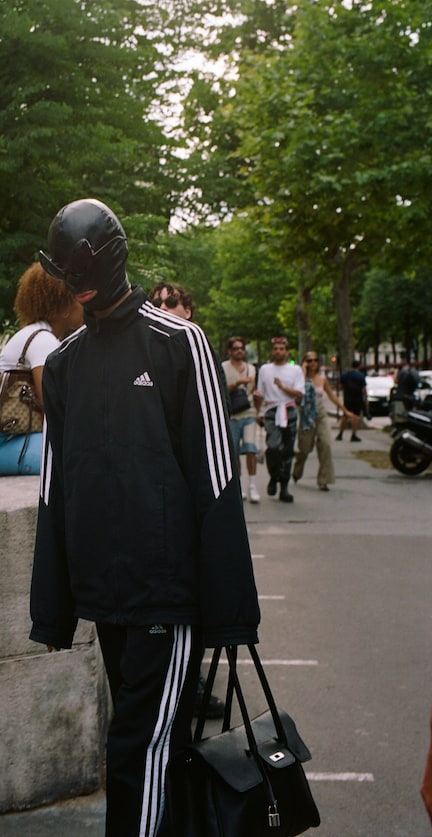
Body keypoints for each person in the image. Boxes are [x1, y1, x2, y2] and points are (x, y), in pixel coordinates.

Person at [30, 198, 260, 837]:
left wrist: (229, 612)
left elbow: (216, 480)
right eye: (67, 275)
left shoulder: (179, 344)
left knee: (140, 749)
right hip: (107, 599)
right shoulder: (66, 364)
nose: (77, 288)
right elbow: (57, 489)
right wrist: (53, 608)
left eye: (84, 272)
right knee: (149, 741)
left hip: (168, 600)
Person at [149, 280, 226, 720]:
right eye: (157, 301)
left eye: (171, 301)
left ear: (189, 309)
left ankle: (190, 685)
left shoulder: (194, 350)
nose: (163, 306)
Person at [0, 262, 83, 476]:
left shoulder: (35, 334)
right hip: (6, 444)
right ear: (63, 305)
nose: (83, 303)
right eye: (77, 296)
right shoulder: (43, 341)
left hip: (8, 440)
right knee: (87, 456)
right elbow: (53, 405)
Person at [293, 352, 353, 492]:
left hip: (320, 414)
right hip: (306, 416)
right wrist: (302, 370)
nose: (313, 363)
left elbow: (332, 397)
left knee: (325, 444)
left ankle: (324, 480)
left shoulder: (322, 379)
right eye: (309, 360)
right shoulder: (300, 378)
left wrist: (345, 410)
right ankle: (297, 470)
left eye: (315, 360)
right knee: (304, 449)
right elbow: (297, 392)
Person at [256, 336, 305, 503]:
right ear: (272, 351)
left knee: (288, 450)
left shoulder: (296, 370)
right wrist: (259, 411)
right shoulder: (265, 369)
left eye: (281, 349)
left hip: (289, 410)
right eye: (275, 349)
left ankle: (284, 486)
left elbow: (299, 394)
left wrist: (282, 387)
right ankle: (273, 475)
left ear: (286, 351)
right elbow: (260, 393)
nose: (278, 351)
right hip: (271, 411)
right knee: (274, 446)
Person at [222, 337, 261, 503]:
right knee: (234, 452)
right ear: (229, 351)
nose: (239, 351)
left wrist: (259, 408)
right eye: (236, 348)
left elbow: (255, 391)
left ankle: (252, 486)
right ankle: (239, 485)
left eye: (241, 348)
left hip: (249, 412)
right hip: (232, 415)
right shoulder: (223, 367)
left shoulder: (252, 369)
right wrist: (238, 383)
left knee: (251, 449)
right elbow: (221, 390)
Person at [335, 359, 367, 442]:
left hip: (347, 398)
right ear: (359, 366)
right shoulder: (361, 376)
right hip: (358, 398)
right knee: (356, 417)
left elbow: (340, 387)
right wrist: (366, 399)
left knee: (345, 416)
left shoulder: (345, 375)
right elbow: (364, 389)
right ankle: (353, 435)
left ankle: (340, 434)